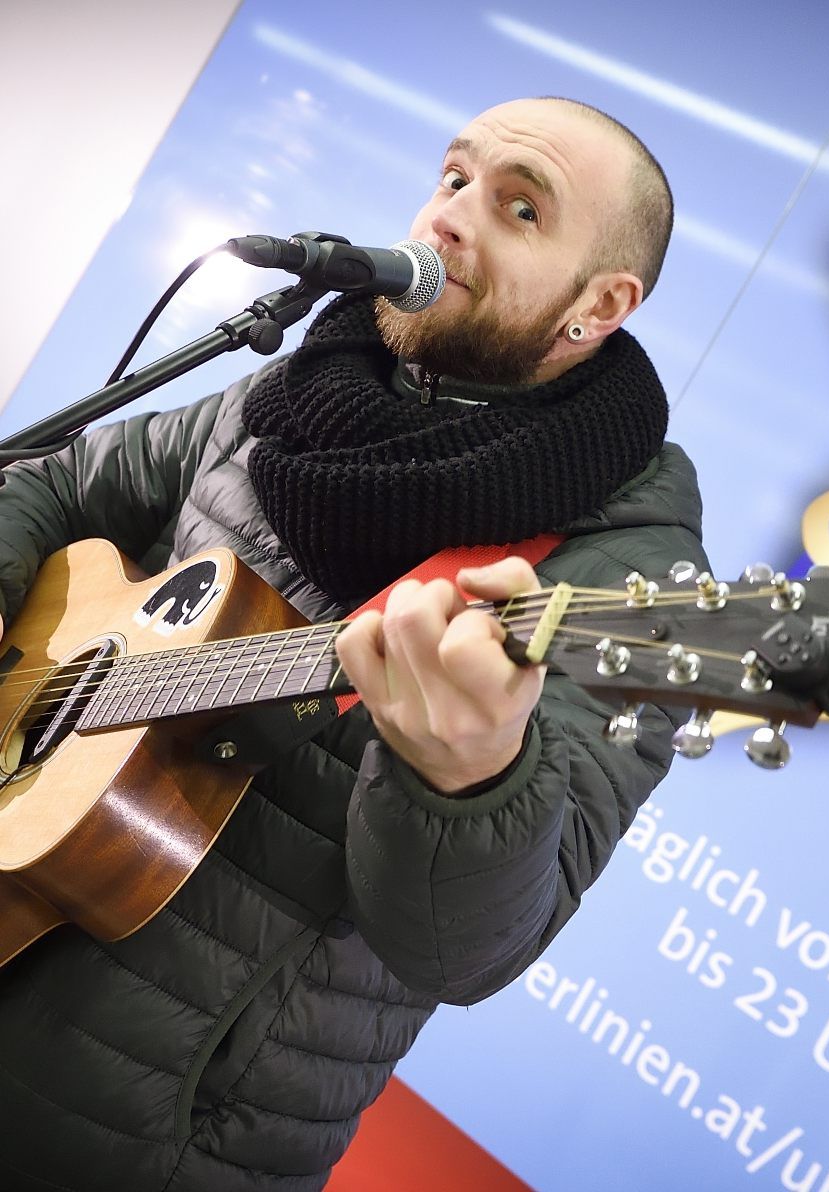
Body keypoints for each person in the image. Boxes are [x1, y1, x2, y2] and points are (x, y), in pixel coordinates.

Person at [0, 97, 707, 1190]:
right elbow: (54, 483)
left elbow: (465, 950)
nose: (453, 218)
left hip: (148, 1135)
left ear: (599, 305)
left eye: (519, 208)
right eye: (454, 177)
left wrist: (468, 779)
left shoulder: (634, 570)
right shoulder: (296, 386)